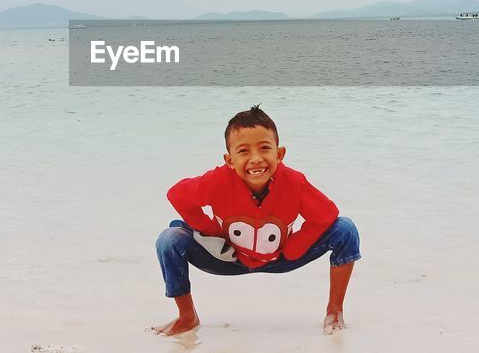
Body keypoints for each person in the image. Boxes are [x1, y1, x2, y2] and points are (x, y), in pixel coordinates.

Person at [152, 105, 361, 336]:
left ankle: (334, 311)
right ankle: (187, 316)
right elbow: (177, 195)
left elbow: (326, 214)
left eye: (264, 148)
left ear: (279, 154)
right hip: (228, 258)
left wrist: (293, 249)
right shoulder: (218, 180)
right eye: (243, 151)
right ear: (229, 160)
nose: (256, 159)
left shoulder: (293, 182)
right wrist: (212, 232)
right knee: (169, 239)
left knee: (345, 229)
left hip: (280, 258)